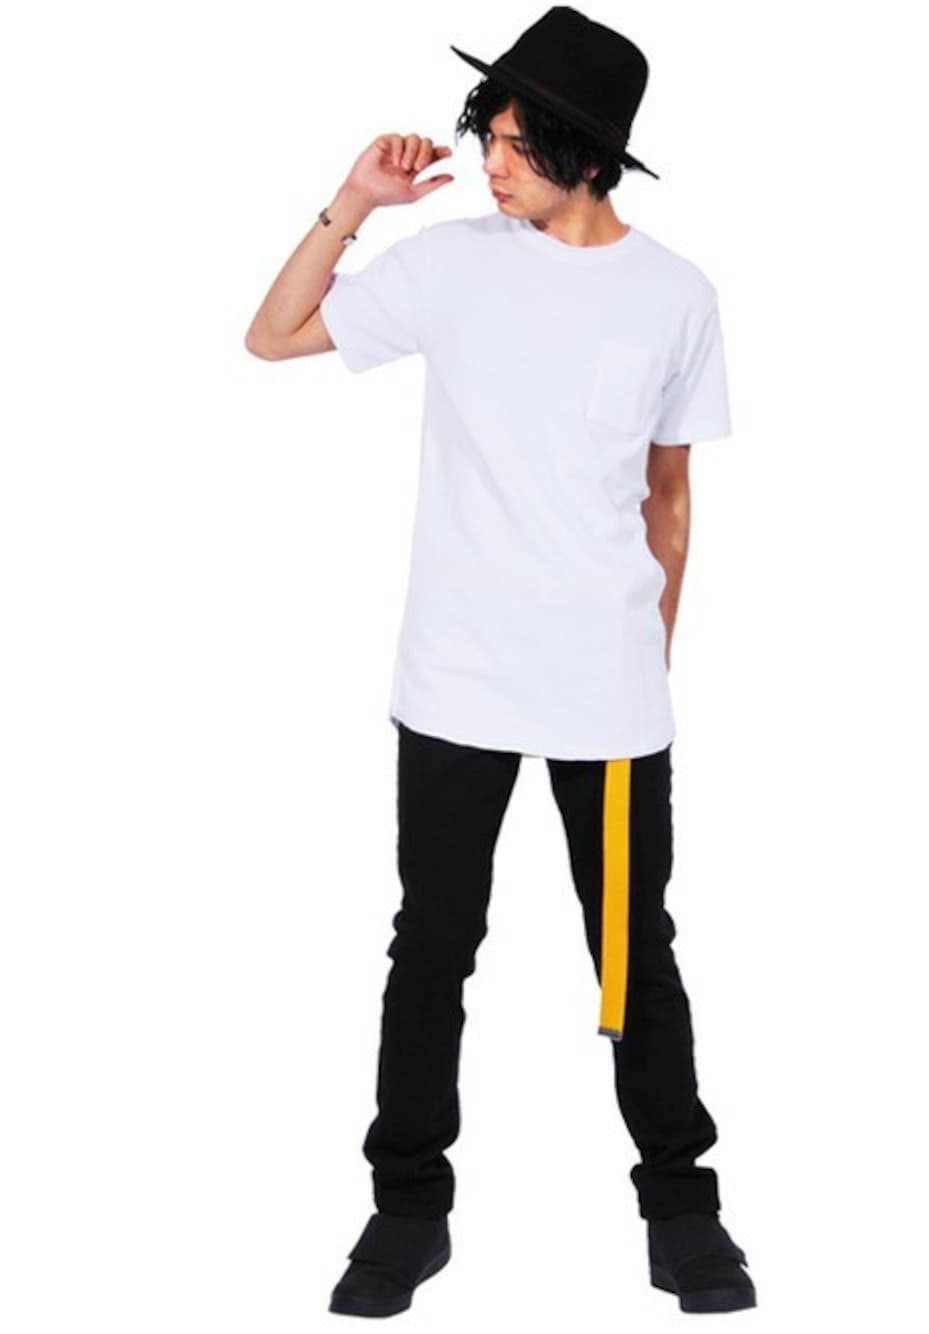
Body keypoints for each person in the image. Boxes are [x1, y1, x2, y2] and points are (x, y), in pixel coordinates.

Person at [245, 5, 755, 1319]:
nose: (490, 160)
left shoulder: (677, 296)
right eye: (489, 134)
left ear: (588, 151)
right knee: (433, 944)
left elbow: (670, 503)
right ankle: (408, 1208)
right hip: (456, 682)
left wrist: (646, 663)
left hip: (609, 694)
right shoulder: (451, 265)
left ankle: (683, 1210)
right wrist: (354, 203)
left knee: (634, 953)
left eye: (517, 141)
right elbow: (273, 335)